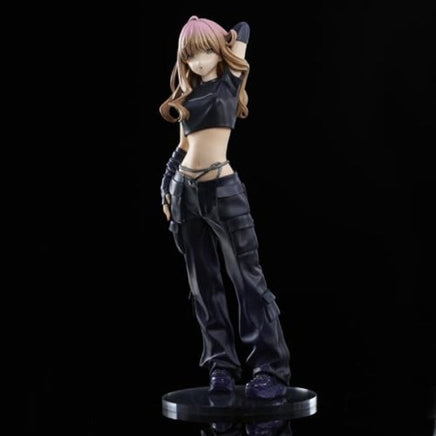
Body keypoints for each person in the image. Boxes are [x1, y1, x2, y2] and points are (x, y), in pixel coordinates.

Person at [159, 15, 290, 399]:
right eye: (190, 55)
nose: (198, 61)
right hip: (184, 194)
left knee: (248, 280)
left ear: (220, 51)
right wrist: (165, 187)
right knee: (203, 286)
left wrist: (221, 36)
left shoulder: (230, 81)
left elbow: (244, 28)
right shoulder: (186, 98)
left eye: (205, 51)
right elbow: (182, 148)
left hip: (223, 191)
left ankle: (270, 369)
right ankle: (221, 367)